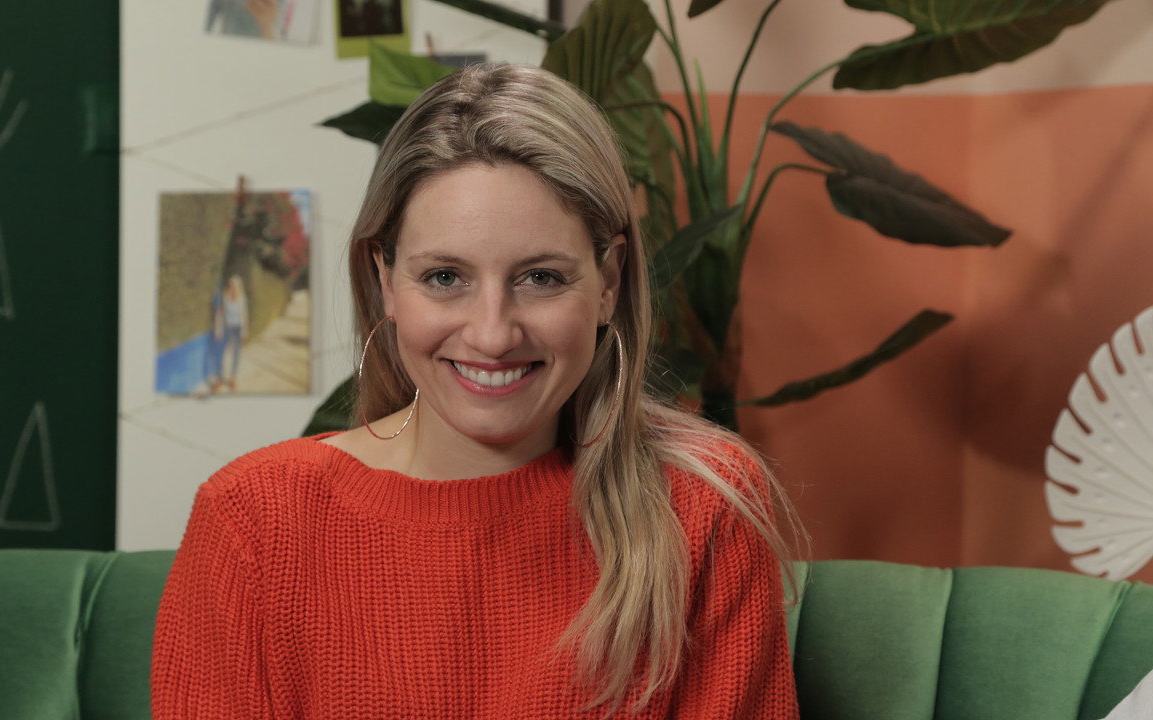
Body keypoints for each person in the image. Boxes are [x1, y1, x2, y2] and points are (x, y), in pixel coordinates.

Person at [152, 63, 802, 718]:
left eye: (541, 278)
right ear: (385, 281)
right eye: (444, 277)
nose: (492, 335)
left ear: (608, 282)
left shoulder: (702, 507)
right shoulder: (253, 518)